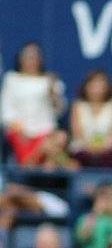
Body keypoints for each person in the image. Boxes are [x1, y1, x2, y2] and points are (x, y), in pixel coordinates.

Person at [1, 41, 74, 170]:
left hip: (46, 132)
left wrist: (52, 93)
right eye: (27, 56)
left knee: (59, 138)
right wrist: (19, 128)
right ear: (20, 58)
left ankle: (47, 170)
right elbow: (5, 110)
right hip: (19, 132)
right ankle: (66, 164)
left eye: (34, 57)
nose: (31, 60)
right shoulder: (11, 78)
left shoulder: (50, 80)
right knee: (50, 149)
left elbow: (59, 111)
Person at [68, 69, 112, 167]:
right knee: (76, 161)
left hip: (109, 150)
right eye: (93, 84)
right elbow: (77, 133)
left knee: (111, 158)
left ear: (107, 87)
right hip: (82, 150)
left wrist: (102, 148)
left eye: (101, 84)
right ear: (86, 86)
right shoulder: (77, 105)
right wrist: (90, 147)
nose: (97, 88)